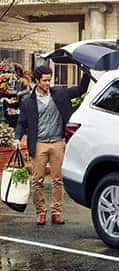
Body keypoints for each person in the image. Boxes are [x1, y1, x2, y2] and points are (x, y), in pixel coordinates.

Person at [15, 65, 90, 225]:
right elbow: (21, 122)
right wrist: (16, 138)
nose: (48, 83)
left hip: (57, 142)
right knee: (37, 180)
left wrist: (87, 72)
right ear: (36, 80)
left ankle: (56, 212)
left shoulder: (60, 93)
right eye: (44, 80)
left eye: (50, 79)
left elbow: (80, 90)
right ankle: (41, 212)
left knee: (58, 180)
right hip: (39, 143)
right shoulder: (28, 100)